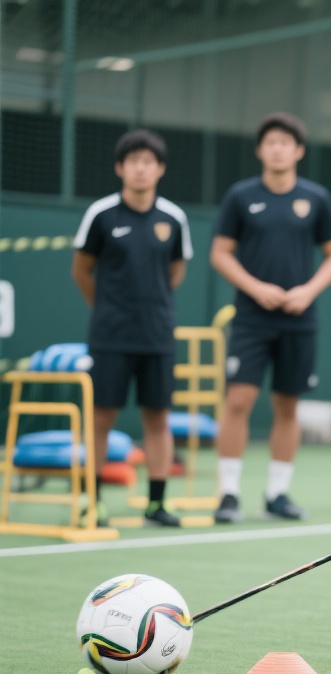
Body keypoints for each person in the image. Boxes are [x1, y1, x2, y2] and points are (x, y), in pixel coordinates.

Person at [210, 112, 331, 523]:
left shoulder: (317, 198)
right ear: (260, 150)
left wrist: (307, 291)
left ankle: (277, 494)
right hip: (251, 319)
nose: (277, 148)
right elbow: (220, 252)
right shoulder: (240, 196)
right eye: (270, 142)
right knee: (238, 400)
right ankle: (229, 494)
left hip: (299, 321)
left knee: (287, 407)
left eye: (285, 142)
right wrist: (256, 289)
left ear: (298, 151)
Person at [72, 129, 192, 527]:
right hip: (110, 336)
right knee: (102, 417)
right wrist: (109, 308)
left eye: (149, 161)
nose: (141, 168)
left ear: (160, 169)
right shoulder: (101, 214)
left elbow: (175, 271)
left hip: (157, 335)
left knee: (157, 419)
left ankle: (156, 504)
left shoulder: (174, 217)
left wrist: (148, 306)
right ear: (120, 168)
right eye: (133, 161)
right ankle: (94, 503)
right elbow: (82, 271)